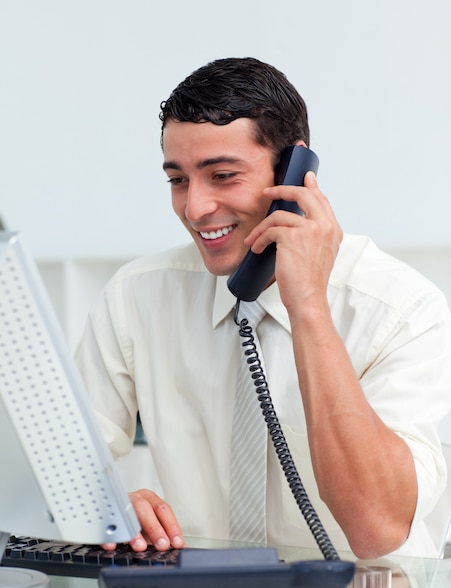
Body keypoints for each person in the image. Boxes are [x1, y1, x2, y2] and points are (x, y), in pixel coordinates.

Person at [75, 57, 451, 559]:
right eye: (178, 180)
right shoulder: (136, 297)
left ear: (294, 174)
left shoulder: (403, 311)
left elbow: (376, 528)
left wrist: (308, 307)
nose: (195, 208)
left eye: (223, 175)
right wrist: (108, 503)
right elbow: (66, 463)